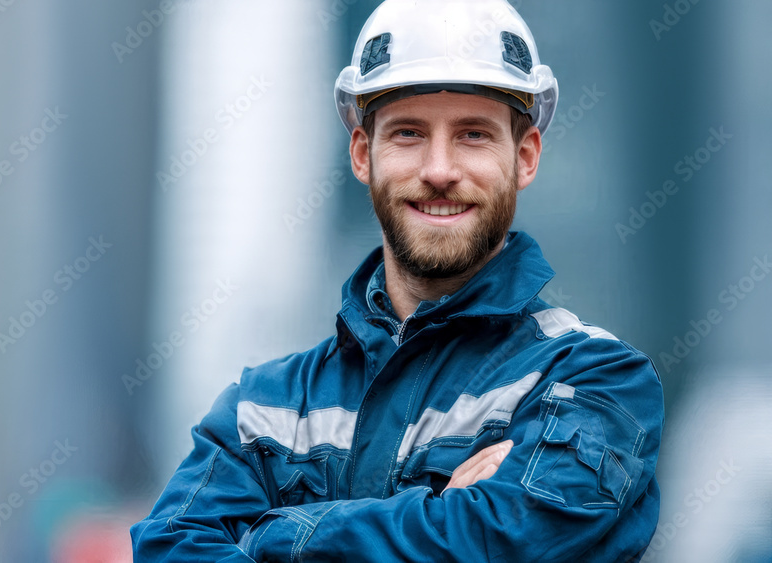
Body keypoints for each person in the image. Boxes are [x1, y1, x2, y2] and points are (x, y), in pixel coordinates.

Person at [131, 0, 664, 560]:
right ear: (363, 154)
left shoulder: (596, 383)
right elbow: (169, 550)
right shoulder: (261, 410)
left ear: (525, 157)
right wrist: (440, 510)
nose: (438, 170)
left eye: (473, 135)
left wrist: (273, 535)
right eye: (408, 133)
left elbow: (508, 542)